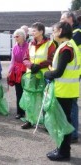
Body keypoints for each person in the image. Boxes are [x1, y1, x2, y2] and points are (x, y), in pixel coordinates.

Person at [44, 21, 78, 161]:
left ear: (61, 31)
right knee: (64, 120)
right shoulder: (69, 46)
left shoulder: (66, 48)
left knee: (63, 122)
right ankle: (62, 149)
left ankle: (64, 152)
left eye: (54, 30)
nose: (52, 32)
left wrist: (47, 74)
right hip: (68, 90)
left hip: (64, 91)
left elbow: (59, 72)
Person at [21, 22, 56, 129]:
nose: (32, 32)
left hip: (43, 75)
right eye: (32, 30)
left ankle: (46, 122)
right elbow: (25, 58)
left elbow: (51, 59)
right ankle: (29, 120)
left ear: (41, 31)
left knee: (45, 98)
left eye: (34, 30)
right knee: (29, 97)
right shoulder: (30, 43)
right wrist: (31, 65)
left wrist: (39, 66)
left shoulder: (50, 44)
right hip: (31, 75)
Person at [60, 11, 81, 144]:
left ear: (70, 19)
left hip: (74, 72)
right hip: (72, 72)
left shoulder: (77, 33)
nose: (61, 21)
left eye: (63, 19)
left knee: (72, 103)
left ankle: (73, 133)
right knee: (71, 103)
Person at [7, 29, 28, 119]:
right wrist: (9, 71)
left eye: (17, 36)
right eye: (14, 36)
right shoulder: (15, 47)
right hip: (17, 72)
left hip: (26, 71)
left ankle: (28, 112)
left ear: (23, 36)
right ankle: (20, 112)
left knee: (26, 93)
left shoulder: (28, 46)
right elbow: (13, 60)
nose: (15, 38)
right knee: (18, 92)